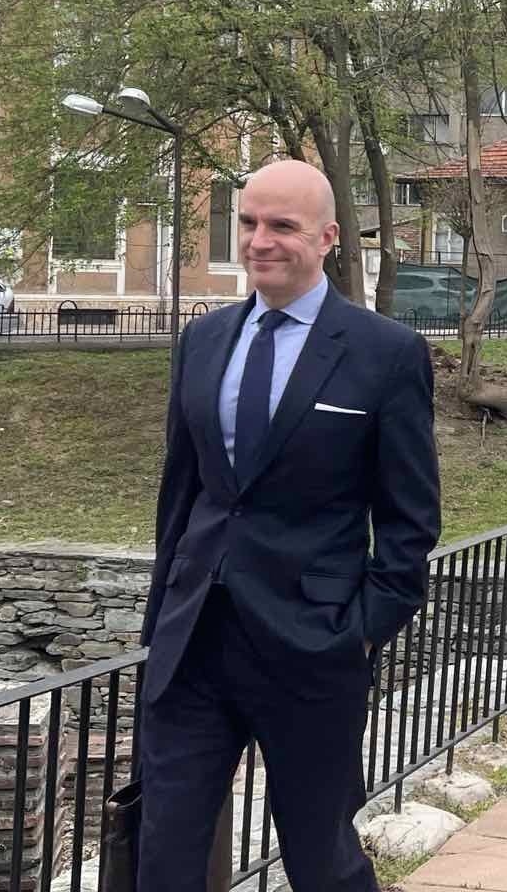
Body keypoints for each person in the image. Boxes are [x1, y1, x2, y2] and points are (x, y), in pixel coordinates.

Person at [137, 159, 442, 891]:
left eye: (282, 226)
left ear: (328, 237)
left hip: (311, 645)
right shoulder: (203, 341)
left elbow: (409, 519)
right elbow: (181, 493)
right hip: (196, 642)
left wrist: (360, 631)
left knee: (321, 862)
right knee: (165, 857)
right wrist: (160, 622)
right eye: (248, 223)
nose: (259, 241)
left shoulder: (384, 353)